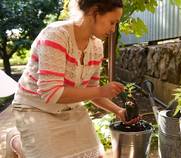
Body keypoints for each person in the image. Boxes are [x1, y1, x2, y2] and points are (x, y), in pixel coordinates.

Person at [5, 0, 139, 157]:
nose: (113, 29)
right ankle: (16, 140)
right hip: (35, 108)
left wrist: (118, 111)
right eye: (112, 22)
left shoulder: (96, 46)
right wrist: (101, 90)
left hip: (70, 108)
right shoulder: (56, 35)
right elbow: (51, 93)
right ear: (94, 11)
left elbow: (92, 92)